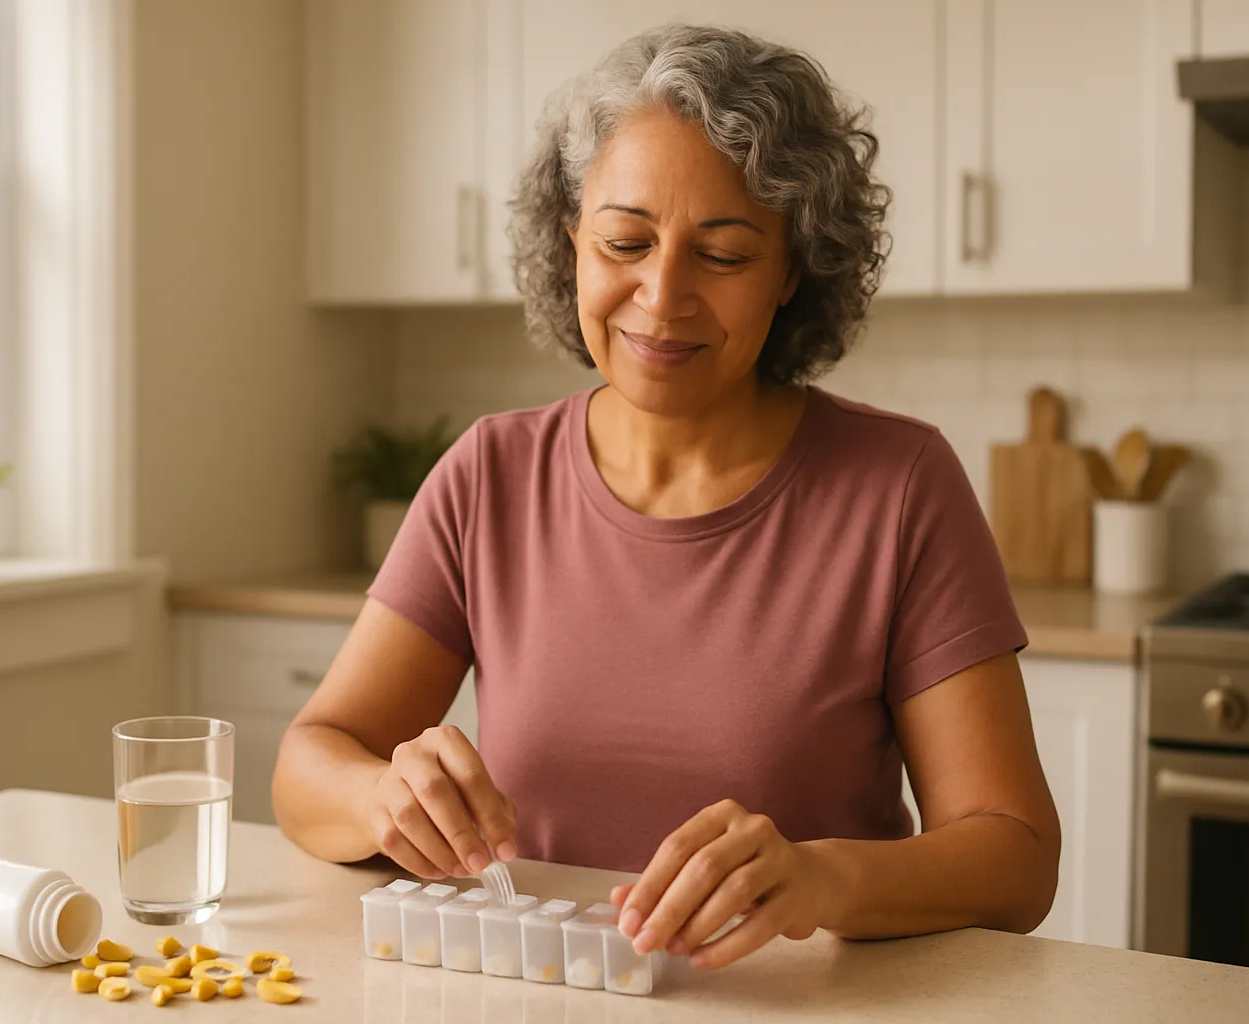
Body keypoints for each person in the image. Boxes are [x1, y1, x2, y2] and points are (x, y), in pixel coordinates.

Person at [273, 23, 1059, 971]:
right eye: (625, 242)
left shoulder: (898, 487)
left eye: (723, 255)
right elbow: (311, 762)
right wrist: (380, 797)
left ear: (790, 271)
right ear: (573, 244)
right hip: (544, 994)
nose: (662, 295)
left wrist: (822, 880)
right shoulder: (490, 475)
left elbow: (1015, 854)